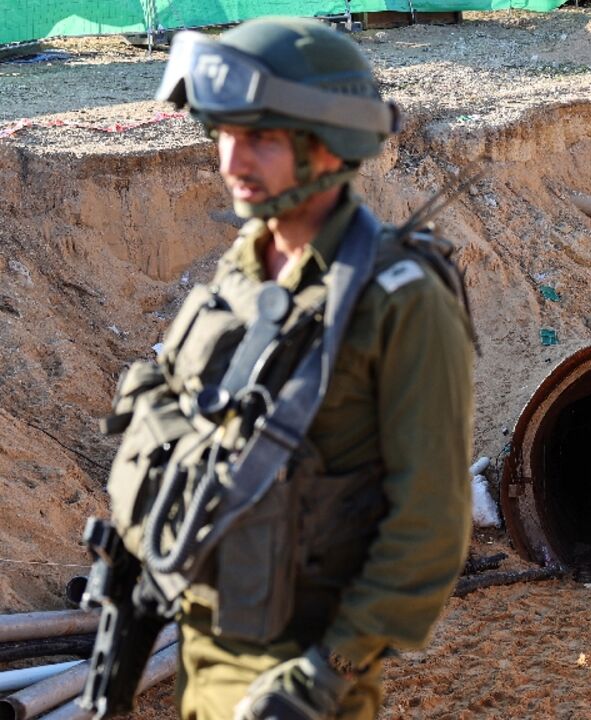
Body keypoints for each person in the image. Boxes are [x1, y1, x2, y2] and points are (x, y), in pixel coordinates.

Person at [98, 17, 475, 720]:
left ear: (332, 146)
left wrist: (328, 673)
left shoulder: (401, 301)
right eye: (225, 135)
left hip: (298, 668)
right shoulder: (243, 267)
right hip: (203, 638)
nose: (231, 160)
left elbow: (430, 520)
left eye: (261, 138)